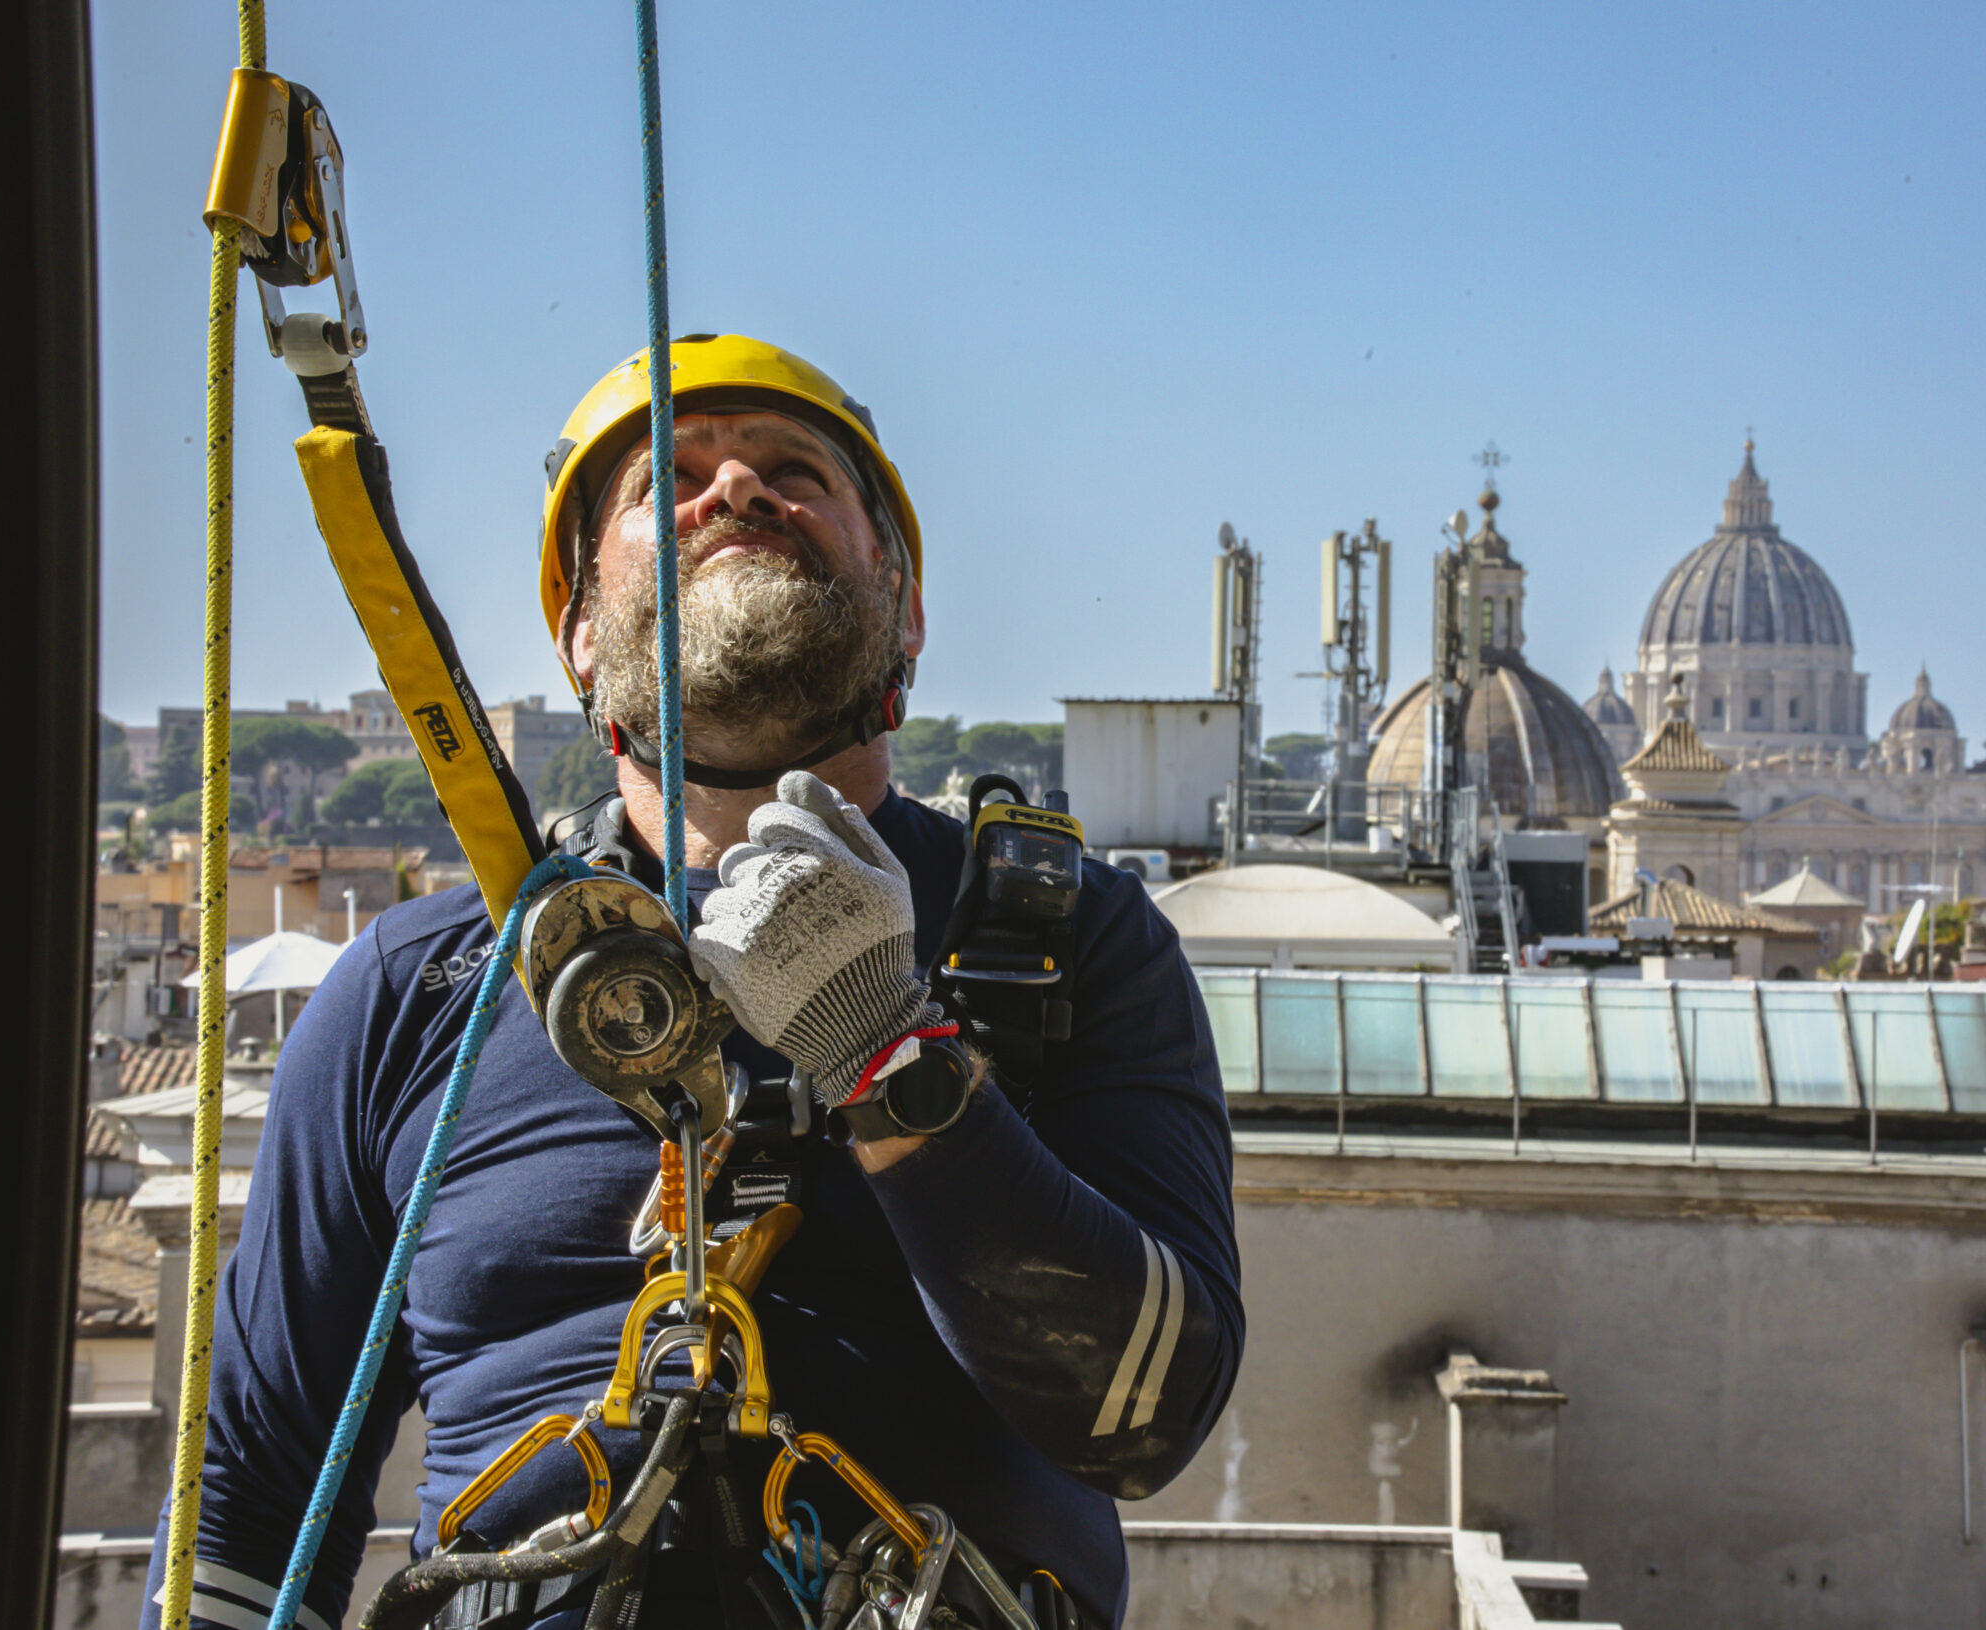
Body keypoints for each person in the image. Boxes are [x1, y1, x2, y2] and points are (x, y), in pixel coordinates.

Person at [143, 336, 1242, 1630]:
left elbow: (1145, 1413)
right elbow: (252, 1503)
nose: (734, 489)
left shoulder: (1066, 940)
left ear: (905, 609)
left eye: (794, 469)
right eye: (671, 477)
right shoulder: (419, 990)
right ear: (576, 628)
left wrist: (884, 1050)